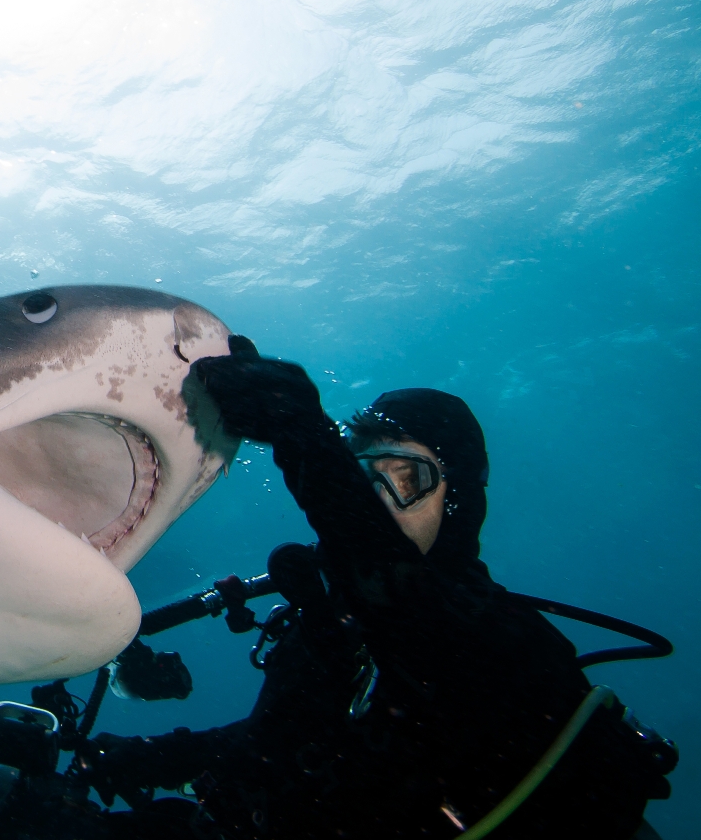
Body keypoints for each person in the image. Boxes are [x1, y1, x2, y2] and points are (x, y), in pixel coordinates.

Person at [78, 338, 676, 839]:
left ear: (460, 502)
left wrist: (302, 435)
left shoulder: (502, 643)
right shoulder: (330, 630)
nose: (379, 503)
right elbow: (273, 748)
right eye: (366, 478)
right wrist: (141, 759)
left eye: (407, 479)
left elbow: (399, 594)